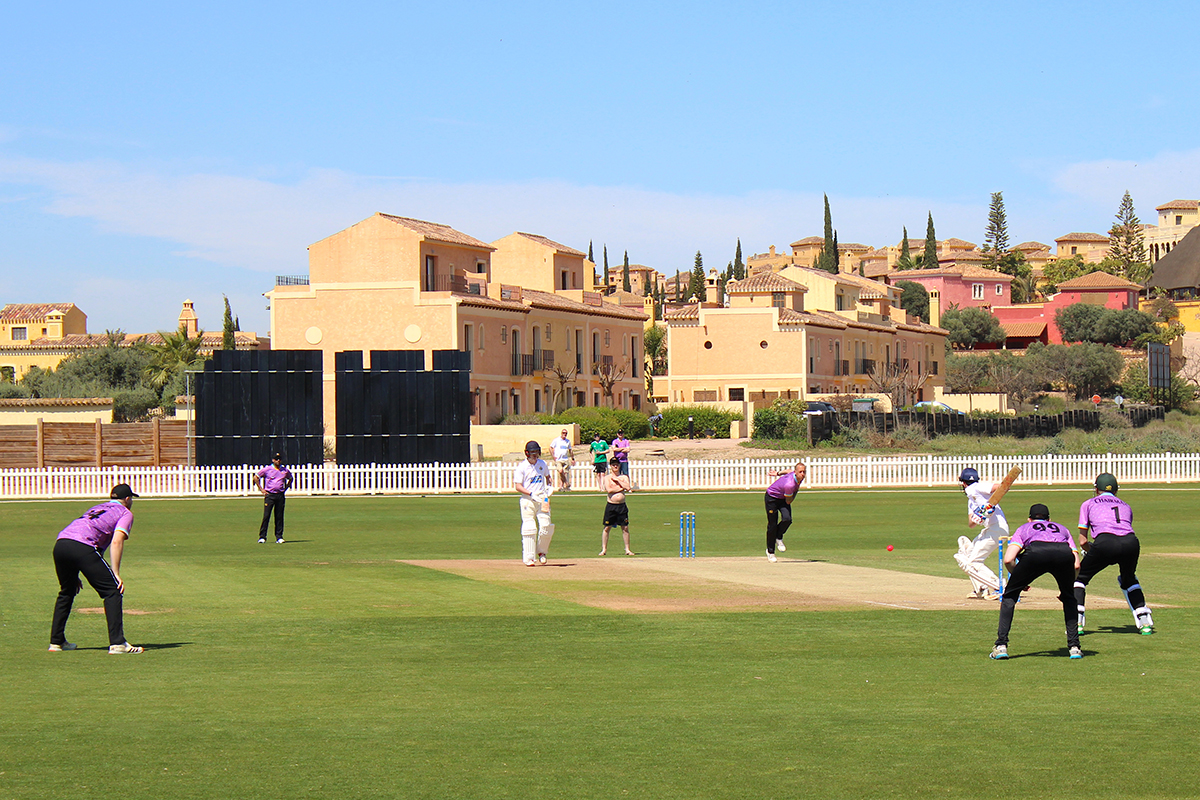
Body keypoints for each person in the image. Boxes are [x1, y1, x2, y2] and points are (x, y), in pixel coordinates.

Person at [49, 483, 144, 654]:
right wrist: (116, 573)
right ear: (128, 499)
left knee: (67, 591)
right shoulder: (125, 513)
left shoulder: (98, 507)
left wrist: (73, 569)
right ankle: (118, 644)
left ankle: (56, 642)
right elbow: (117, 541)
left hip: (61, 543)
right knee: (112, 591)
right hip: (82, 546)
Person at [989, 503, 1082, 660]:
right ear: (1049, 519)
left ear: (1029, 519)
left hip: (1036, 553)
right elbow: (1076, 564)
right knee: (1069, 599)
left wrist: (1019, 578)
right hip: (1063, 554)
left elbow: (1008, 559)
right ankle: (1074, 647)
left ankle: (1001, 646)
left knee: (1009, 597)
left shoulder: (1025, 528)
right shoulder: (1062, 528)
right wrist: (1068, 587)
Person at [1075, 472, 1154, 635]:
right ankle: (1145, 621)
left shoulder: (1088, 504)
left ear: (1097, 489)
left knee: (1079, 578)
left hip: (1105, 542)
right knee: (1128, 579)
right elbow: (1122, 532)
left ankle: (1077, 622)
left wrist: (1093, 552)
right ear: (1116, 490)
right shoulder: (1125, 505)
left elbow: (1083, 541)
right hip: (1131, 543)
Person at [955, 467, 1009, 599]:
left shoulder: (975, 488)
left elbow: (1002, 487)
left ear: (962, 482)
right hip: (990, 529)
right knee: (966, 553)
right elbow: (971, 524)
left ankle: (1000, 587)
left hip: (997, 529)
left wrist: (988, 507)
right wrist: (978, 517)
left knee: (973, 562)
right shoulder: (972, 498)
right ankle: (981, 588)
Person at [513, 440, 554, 566]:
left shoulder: (542, 464)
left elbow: (548, 478)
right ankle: (529, 557)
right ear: (527, 453)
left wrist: (549, 488)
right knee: (530, 528)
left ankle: (542, 552)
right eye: (532, 453)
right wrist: (531, 494)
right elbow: (518, 486)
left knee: (546, 526)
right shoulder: (522, 467)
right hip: (528, 500)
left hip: (542, 499)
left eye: (536, 452)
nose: (535, 455)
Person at [764, 462, 805, 562]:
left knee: (787, 519)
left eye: (804, 472)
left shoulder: (795, 475)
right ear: (796, 472)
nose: (802, 474)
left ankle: (778, 537)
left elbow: (788, 471)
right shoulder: (789, 485)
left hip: (783, 498)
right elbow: (789, 501)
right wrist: (796, 490)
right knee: (772, 525)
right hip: (772, 498)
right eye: (800, 472)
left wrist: (778, 473)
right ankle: (770, 552)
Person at [254, 452, 294, 544]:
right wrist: (261, 489)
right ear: (273, 460)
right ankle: (262, 536)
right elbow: (256, 477)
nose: (278, 460)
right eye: (276, 459)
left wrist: (286, 488)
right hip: (270, 495)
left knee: (279, 516)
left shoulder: (284, 470)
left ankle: (279, 537)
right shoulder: (267, 469)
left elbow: (290, 478)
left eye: (279, 459)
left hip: (280, 495)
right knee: (266, 516)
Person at [599, 457, 635, 556]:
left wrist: (618, 482)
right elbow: (609, 490)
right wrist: (621, 488)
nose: (615, 466)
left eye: (617, 464)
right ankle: (604, 549)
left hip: (622, 506)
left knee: (625, 528)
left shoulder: (624, 477)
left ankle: (627, 549)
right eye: (613, 464)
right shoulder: (607, 477)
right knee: (607, 527)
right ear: (610, 466)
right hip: (611, 505)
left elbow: (628, 487)